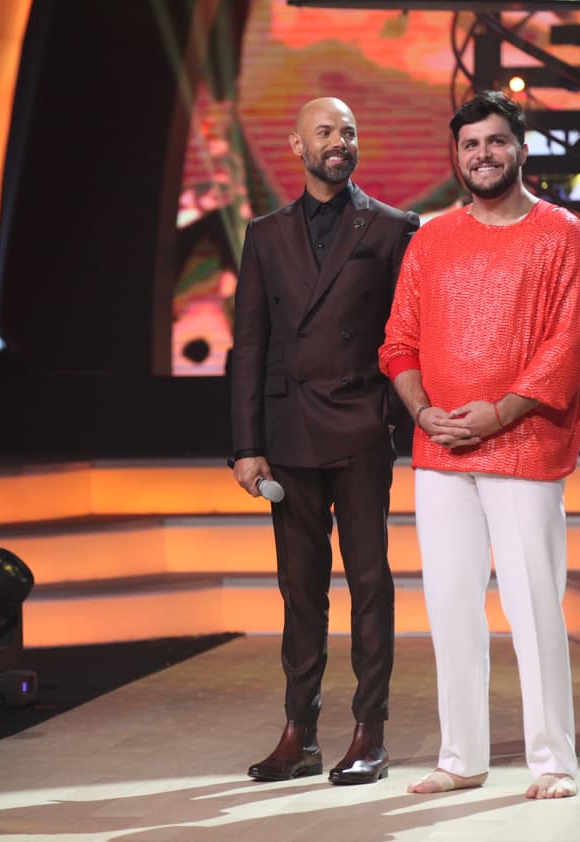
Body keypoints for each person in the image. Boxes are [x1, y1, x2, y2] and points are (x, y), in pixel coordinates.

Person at [379, 90, 580, 800]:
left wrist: (498, 414)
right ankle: (461, 757)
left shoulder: (562, 234)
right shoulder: (431, 240)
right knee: (449, 608)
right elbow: (398, 342)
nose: (483, 154)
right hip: (441, 449)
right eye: (471, 144)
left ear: (522, 149)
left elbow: (568, 346)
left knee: (533, 609)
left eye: (496, 141)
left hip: (525, 449)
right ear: (457, 155)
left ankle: (553, 761)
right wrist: (425, 411)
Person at [230, 97, 419, 785]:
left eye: (348, 131)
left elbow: (407, 334)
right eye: (325, 132)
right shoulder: (265, 233)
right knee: (300, 590)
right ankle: (299, 731)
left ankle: (370, 730)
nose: (339, 141)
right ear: (297, 145)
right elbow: (250, 345)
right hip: (289, 434)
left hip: (361, 426)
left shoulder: (394, 227)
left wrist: (397, 414)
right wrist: (245, 444)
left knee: (370, 583)